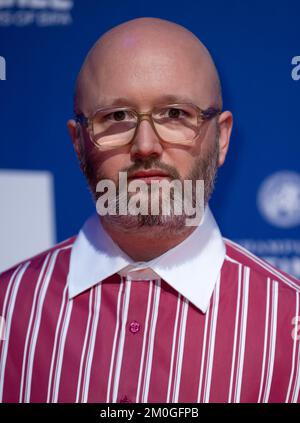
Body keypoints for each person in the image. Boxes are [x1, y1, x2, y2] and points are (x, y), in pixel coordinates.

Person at [0, 17, 299, 404]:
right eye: (116, 117)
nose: (146, 145)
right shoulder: (9, 309)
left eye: (175, 114)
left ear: (221, 138)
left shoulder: (289, 326)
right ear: (78, 145)